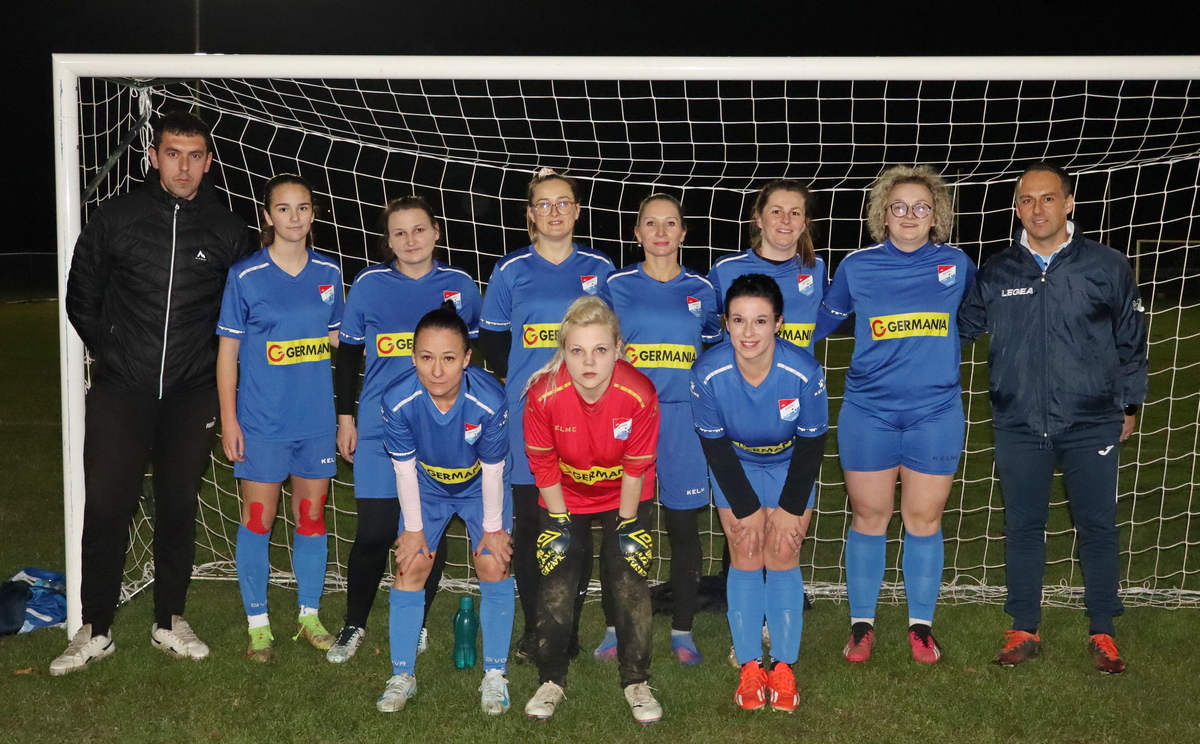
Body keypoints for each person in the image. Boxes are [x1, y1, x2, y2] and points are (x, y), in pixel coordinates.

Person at [56, 110, 255, 676]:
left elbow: (241, 314)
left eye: (194, 156)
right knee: (107, 506)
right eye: (172, 154)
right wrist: (116, 351)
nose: (183, 167)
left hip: (192, 393)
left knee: (178, 505)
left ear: (208, 162)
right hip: (122, 388)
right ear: (153, 157)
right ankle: (95, 628)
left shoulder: (227, 230)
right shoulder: (117, 217)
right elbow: (81, 295)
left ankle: (169, 619)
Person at [959, 162, 1148, 674]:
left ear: (1069, 203)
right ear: (1016, 208)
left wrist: (1130, 403)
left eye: (1047, 198)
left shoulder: (1107, 265)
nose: (1037, 208)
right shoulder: (998, 271)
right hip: (1018, 420)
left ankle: (1103, 630)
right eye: (1026, 200)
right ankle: (1024, 627)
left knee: (1097, 526)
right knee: (1023, 526)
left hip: (1092, 420)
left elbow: (1132, 340)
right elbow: (957, 330)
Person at [813, 165, 976, 665]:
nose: (909, 215)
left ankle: (920, 627)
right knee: (869, 515)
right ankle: (862, 625)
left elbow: (977, 318)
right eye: (899, 206)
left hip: (936, 412)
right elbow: (818, 322)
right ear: (883, 214)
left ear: (936, 216)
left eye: (921, 207)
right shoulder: (857, 266)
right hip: (869, 411)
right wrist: (760, 345)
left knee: (924, 518)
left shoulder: (957, 264)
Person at [328, 196, 482, 663]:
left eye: (419, 230)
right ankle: (354, 624)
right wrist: (346, 418)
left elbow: (472, 358)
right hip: (379, 428)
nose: (410, 240)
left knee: (426, 532)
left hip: (439, 431)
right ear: (388, 241)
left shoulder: (459, 285)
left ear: (436, 232)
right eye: (399, 233)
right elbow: (347, 356)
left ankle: (416, 622)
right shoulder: (370, 284)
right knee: (375, 531)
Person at [477, 168, 615, 661]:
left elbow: (612, 340)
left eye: (563, 203)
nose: (554, 212)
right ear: (530, 214)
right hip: (527, 417)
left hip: (586, 415)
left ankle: (567, 628)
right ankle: (537, 625)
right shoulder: (510, 269)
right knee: (532, 524)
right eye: (543, 204)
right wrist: (526, 386)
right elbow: (493, 341)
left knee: (575, 527)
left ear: (578, 211)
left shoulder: (601, 268)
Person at [215, 174, 344, 661]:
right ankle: (258, 625)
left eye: (303, 208)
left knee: (311, 517)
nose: (294, 217)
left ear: (313, 214)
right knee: (258, 519)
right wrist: (230, 420)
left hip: (315, 421)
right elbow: (228, 353)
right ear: (267, 216)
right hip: (263, 421)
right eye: (284, 208)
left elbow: (339, 342)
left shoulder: (329, 273)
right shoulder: (245, 275)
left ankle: (309, 615)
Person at [521, 297, 662, 724]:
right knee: (557, 582)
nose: (589, 362)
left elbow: (636, 468)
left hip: (625, 492)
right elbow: (543, 464)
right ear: (563, 352)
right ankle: (551, 679)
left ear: (618, 349)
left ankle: (636, 680)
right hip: (565, 494)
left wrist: (627, 525)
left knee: (629, 580)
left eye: (600, 349)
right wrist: (559, 524)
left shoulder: (639, 393)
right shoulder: (543, 394)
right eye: (577, 350)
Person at [691, 273, 828, 713]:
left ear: (778, 323)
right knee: (746, 549)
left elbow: (812, 443)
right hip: (737, 463)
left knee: (784, 550)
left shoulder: (804, 371)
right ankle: (750, 665)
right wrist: (747, 508)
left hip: (790, 461)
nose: (748, 332)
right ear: (726, 323)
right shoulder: (707, 373)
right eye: (738, 320)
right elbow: (714, 446)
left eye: (760, 321)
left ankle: (784, 666)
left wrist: (789, 507)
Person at [599, 193, 721, 664]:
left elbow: (712, 348)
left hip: (683, 421)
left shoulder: (702, 290)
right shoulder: (616, 285)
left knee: (683, 526)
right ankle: (615, 628)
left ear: (684, 233)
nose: (661, 232)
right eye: (651, 223)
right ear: (637, 232)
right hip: (628, 416)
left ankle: (682, 631)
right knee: (623, 523)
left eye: (671, 223)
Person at [376, 303, 514, 714]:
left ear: (467, 358)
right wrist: (413, 530)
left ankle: (495, 675)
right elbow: (403, 468)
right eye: (426, 357)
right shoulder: (397, 399)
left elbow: (493, 469)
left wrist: (493, 529)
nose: (437, 371)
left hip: (479, 486)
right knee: (411, 564)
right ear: (413, 357)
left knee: (493, 562)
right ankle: (402, 675)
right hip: (427, 487)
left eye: (449, 358)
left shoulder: (489, 400)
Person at [707, 179, 827, 353]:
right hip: (741, 370)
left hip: (797, 371)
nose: (786, 220)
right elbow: (704, 319)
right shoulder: (726, 269)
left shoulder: (816, 267)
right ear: (759, 219)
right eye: (776, 212)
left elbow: (828, 315)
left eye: (795, 213)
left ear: (804, 224)